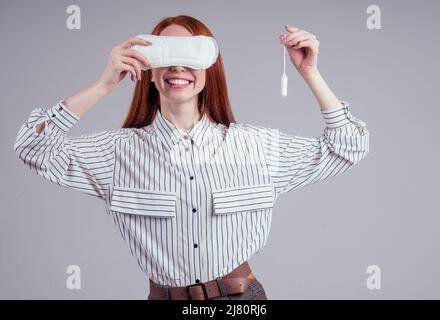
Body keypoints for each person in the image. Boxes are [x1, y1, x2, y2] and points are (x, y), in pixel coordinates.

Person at [13, 15, 369, 300]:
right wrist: (103, 85)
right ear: (149, 72)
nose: (178, 68)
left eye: (190, 57)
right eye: (166, 57)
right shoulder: (116, 153)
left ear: (208, 70)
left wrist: (310, 73)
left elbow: (348, 147)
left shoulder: (258, 147)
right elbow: (32, 147)